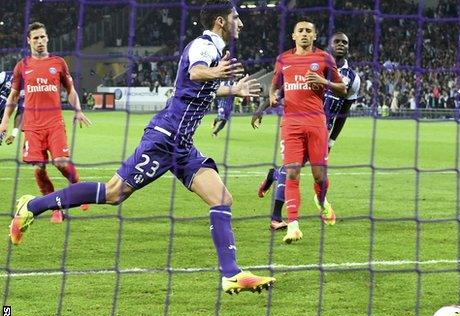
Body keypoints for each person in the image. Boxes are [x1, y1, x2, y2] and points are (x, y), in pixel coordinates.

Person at [8, 1, 275, 295]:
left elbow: (196, 85)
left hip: (182, 145)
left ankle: (231, 274)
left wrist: (231, 89)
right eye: (237, 17)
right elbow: (197, 73)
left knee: (222, 198)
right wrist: (218, 74)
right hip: (164, 139)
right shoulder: (206, 45)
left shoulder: (214, 49)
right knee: (113, 194)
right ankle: (32, 206)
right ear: (221, 21)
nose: (242, 23)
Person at [253, 32, 360, 231]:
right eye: (336, 41)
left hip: (320, 131)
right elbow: (284, 89)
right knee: (291, 170)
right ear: (328, 45)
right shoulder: (311, 65)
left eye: (344, 42)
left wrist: (332, 140)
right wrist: (261, 108)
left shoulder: (353, 79)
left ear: (348, 47)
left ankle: (272, 176)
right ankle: (276, 217)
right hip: (297, 124)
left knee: (316, 175)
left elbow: (343, 113)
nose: (340, 45)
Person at [0, 22, 93, 223]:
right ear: (29, 41)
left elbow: (70, 90)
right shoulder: (22, 66)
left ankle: (79, 187)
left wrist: (77, 109)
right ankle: (56, 209)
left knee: (60, 162)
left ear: (47, 38)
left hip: (54, 124)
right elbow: (14, 96)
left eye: (42, 37)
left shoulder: (58, 63)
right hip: (32, 127)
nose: (40, 41)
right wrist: (5, 121)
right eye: (36, 38)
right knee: (39, 168)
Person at [0, 71, 24, 146]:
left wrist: (14, 134)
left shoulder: (25, 88)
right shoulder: (5, 75)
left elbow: (20, 111)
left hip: (2, 121)